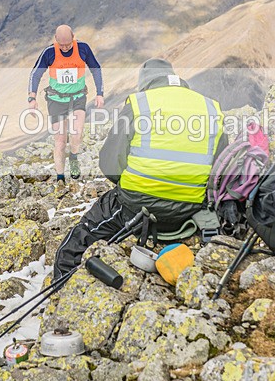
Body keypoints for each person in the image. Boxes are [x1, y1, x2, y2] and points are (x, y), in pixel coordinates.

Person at [53, 59, 228, 279]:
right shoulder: (211, 108)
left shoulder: (139, 103)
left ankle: (59, 287)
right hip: (189, 209)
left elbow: (109, 166)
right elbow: (221, 170)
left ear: (145, 84)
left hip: (136, 207)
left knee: (80, 238)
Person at [28, 24, 104, 183]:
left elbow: (96, 68)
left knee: (76, 134)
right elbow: (35, 74)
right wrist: (32, 97)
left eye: (68, 44)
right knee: (60, 141)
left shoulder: (83, 48)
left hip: (77, 98)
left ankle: (74, 158)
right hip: (56, 101)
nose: (64, 48)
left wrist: (99, 93)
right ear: (55, 40)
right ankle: (61, 176)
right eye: (61, 45)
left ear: (73, 37)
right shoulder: (49, 52)